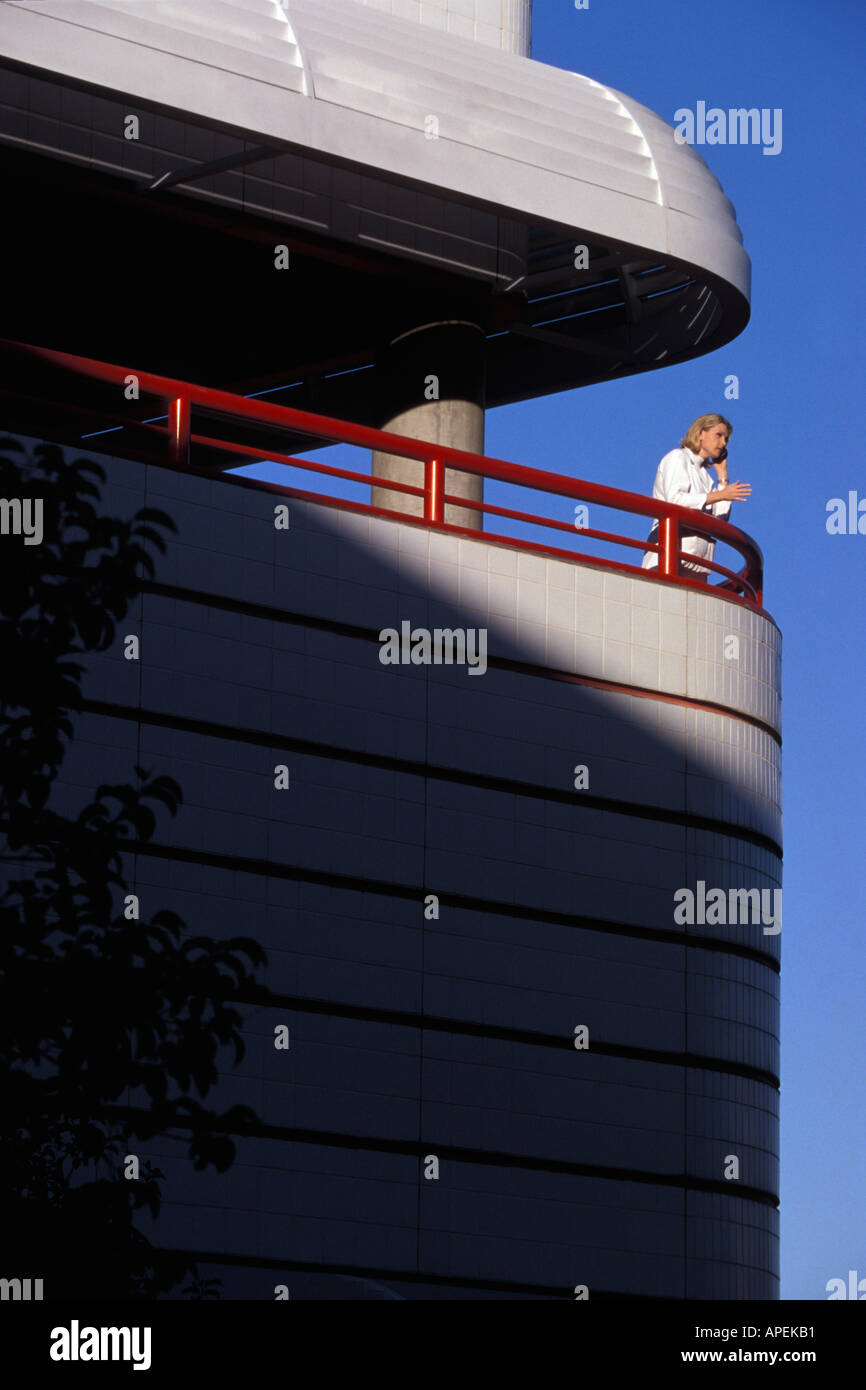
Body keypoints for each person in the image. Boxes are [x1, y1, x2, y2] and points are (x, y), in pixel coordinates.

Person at [641, 414, 751, 579]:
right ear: (701, 433)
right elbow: (675, 500)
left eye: (726, 439)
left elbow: (720, 519)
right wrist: (719, 495)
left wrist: (722, 478)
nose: (723, 443)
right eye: (718, 435)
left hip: (697, 564)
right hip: (667, 557)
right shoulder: (678, 457)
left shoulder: (706, 478)